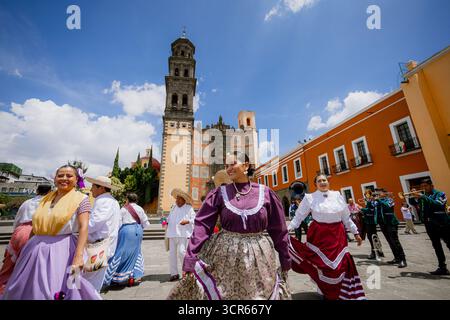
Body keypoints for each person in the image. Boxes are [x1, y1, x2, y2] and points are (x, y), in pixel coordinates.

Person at [167, 151, 291, 299]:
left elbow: (279, 229)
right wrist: (190, 258)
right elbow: (202, 226)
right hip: (225, 259)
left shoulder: (266, 193)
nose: (229, 168)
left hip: (260, 258)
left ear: (246, 165)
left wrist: (285, 258)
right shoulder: (219, 194)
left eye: (233, 164)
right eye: (226, 165)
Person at [2, 165, 100, 300]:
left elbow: (84, 227)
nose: (64, 178)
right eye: (60, 175)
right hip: (35, 249)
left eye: (69, 175)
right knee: (26, 287)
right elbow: (36, 225)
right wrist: (25, 249)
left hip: (65, 250)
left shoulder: (82, 199)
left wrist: (78, 257)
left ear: (76, 179)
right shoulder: (45, 199)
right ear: (55, 179)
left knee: (71, 287)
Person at [288, 174, 365, 300]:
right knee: (323, 266)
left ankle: (340, 291)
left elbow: (346, 217)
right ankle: (324, 291)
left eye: (324, 180)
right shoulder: (310, 198)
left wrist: (355, 232)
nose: (322, 182)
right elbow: (299, 216)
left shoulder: (338, 196)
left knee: (339, 266)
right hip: (320, 236)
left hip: (338, 236)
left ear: (328, 182)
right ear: (315, 184)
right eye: (319, 181)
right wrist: (287, 229)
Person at [0, 185, 52, 294]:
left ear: (37, 191)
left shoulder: (27, 202)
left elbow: (18, 219)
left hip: (20, 231)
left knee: (9, 263)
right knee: (28, 265)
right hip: (38, 233)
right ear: (50, 192)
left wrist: (16, 232)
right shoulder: (51, 204)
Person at [103, 193, 150, 287]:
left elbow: (118, 223)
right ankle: (133, 276)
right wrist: (139, 228)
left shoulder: (124, 209)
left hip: (126, 230)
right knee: (136, 253)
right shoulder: (140, 208)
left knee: (121, 252)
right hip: (138, 230)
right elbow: (146, 223)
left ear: (127, 199)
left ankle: (116, 276)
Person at [84, 175, 121, 292]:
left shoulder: (103, 201)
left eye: (93, 187)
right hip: (104, 245)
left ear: (101, 188)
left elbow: (94, 223)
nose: (91, 190)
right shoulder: (113, 201)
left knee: (88, 281)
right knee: (95, 280)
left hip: (97, 246)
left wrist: (78, 227)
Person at [414, 179, 449, 275]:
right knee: (436, 246)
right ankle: (442, 267)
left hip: (442, 223)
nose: (423, 188)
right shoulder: (424, 196)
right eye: (422, 186)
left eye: (425, 186)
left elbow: (438, 204)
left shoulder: (440, 194)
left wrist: (423, 197)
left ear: (431, 185)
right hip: (430, 225)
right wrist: (415, 197)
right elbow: (418, 206)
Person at [166, 188, 196, 282]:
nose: (177, 200)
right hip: (172, 233)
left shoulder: (189, 208)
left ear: (183, 199)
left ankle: (186, 271)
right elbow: (169, 218)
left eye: (179, 198)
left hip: (183, 234)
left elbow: (195, 219)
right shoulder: (173, 207)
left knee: (182, 252)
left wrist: (187, 221)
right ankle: (174, 274)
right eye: (176, 198)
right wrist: (166, 221)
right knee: (172, 255)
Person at [375, 189, 407, 268]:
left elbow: (387, 206)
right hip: (383, 223)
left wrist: (379, 200)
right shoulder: (377, 201)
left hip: (391, 223)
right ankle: (396, 258)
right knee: (390, 241)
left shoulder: (390, 199)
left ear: (384, 193)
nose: (377, 194)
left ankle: (403, 259)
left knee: (395, 241)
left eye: (379, 192)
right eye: (376, 193)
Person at [361, 191, 385, 260]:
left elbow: (371, 210)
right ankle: (379, 251)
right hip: (369, 221)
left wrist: (361, 208)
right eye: (365, 195)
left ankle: (374, 253)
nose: (366, 196)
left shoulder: (372, 201)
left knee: (371, 237)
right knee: (374, 237)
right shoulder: (371, 201)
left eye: (367, 194)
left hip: (370, 221)